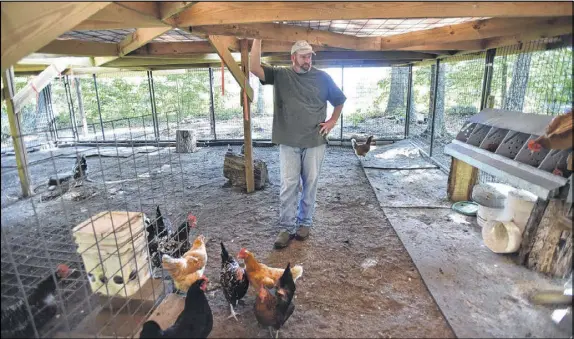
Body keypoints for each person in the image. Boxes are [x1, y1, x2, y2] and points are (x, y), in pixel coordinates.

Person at [249, 39, 346, 249]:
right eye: (303, 56)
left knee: (310, 183)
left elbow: (339, 100)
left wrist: (332, 121)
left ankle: (305, 223)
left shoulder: (322, 77)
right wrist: (257, 40)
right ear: (293, 57)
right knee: (289, 184)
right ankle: (287, 227)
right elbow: (254, 68)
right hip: (288, 141)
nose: (307, 60)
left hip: (314, 140)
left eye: (310, 56)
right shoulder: (282, 75)